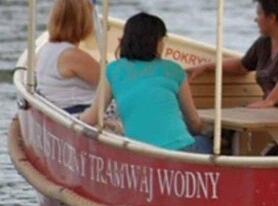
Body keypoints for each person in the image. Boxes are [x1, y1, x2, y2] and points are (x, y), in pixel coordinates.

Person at [81, 12, 211, 153]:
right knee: (205, 141)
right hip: (182, 150)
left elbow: (91, 118)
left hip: (141, 152)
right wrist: (208, 131)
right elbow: (193, 122)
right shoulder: (174, 70)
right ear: (157, 42)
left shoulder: (113, 70)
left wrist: (74, 116)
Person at [36, 0, 100, 114]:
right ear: (82, 22)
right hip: (78, 115)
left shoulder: (46, 49)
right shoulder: (72, 56)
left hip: (59, 110)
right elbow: (112, 84)